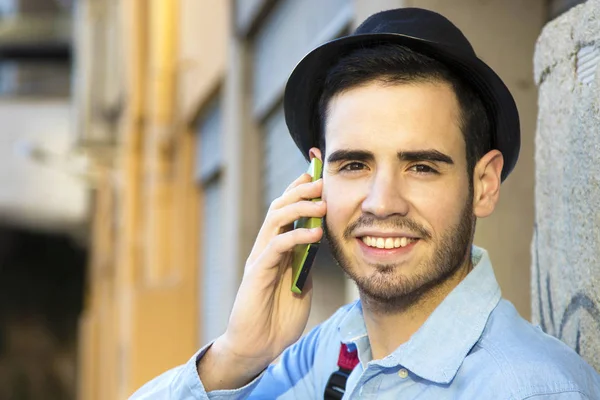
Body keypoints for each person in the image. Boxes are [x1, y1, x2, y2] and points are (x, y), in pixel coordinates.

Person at [131, 8, 600, 399]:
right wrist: (237, 355)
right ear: (316, 181)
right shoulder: (330, 350)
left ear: (483, 184)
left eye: (421, 166)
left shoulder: (529, 389)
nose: (382, 203)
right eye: (354, 165)